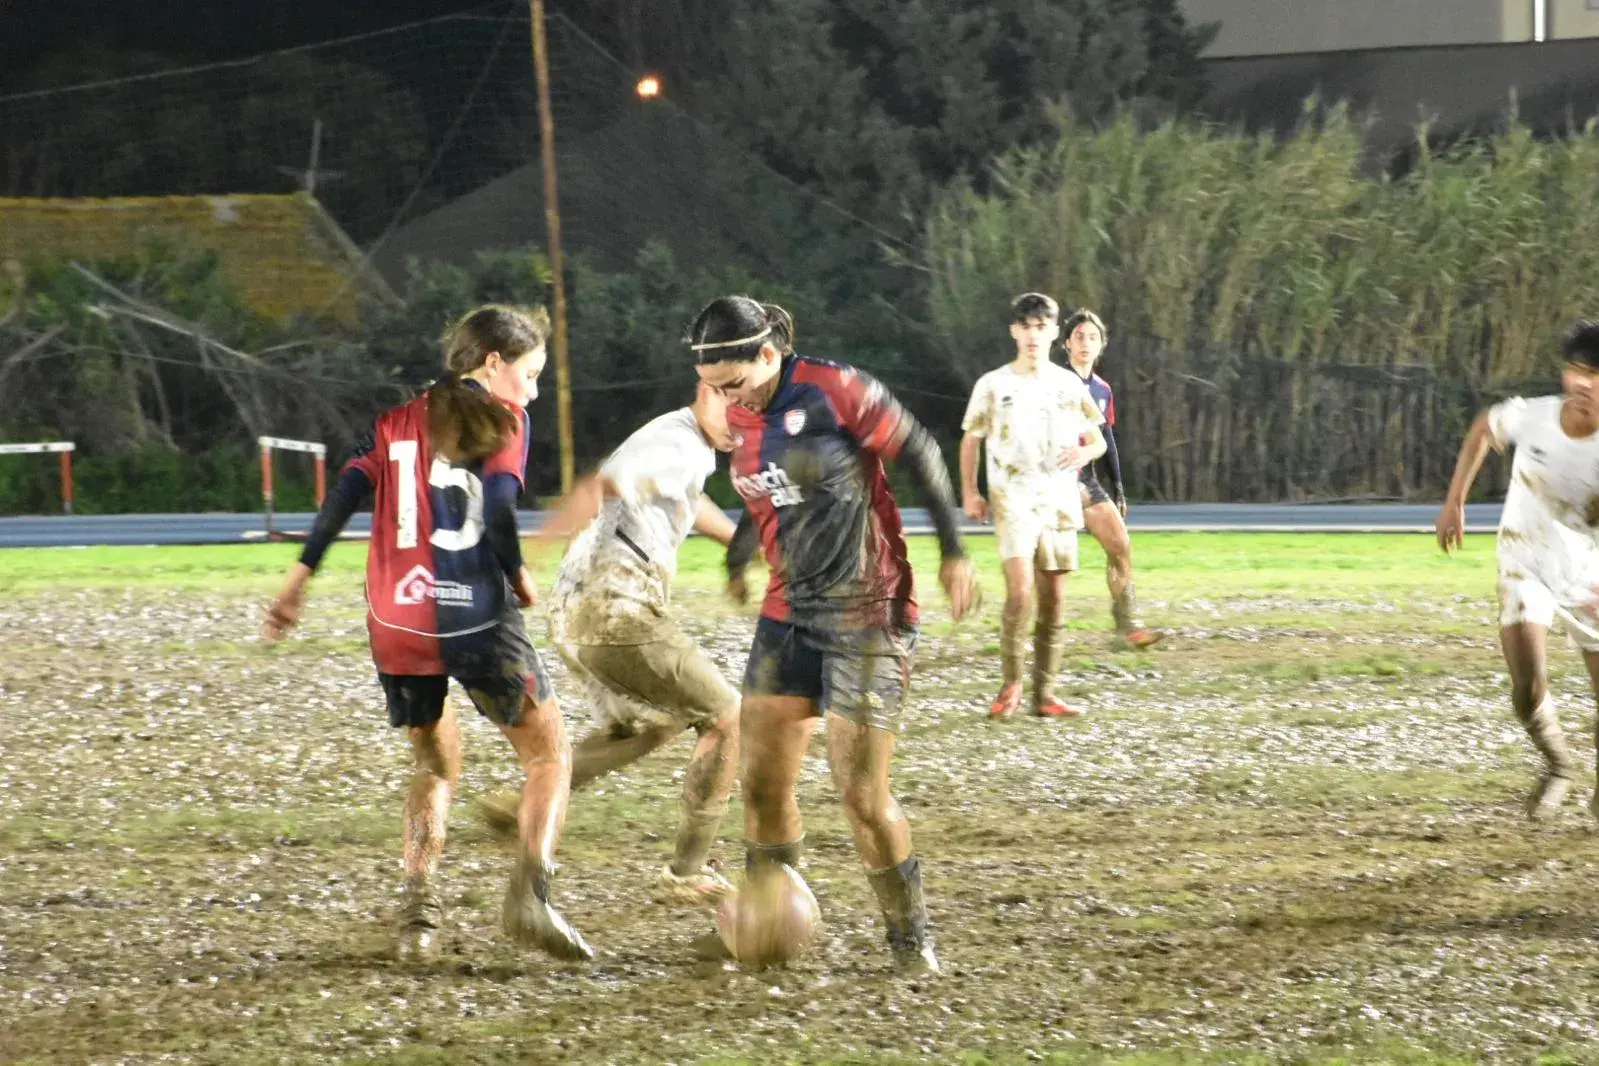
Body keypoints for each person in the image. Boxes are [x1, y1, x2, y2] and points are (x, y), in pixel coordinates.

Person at [260, 304, 592, 962]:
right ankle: (531, 897)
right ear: (492, 363)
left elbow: (341, 498)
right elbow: (498, 509)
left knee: (435, 763)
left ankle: (417, 915)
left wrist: (297, 581)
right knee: (549, 756)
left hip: (397, 623)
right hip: (473, 618)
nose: (532, 390)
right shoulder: (505, 418)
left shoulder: (392, 423)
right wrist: (518, 573)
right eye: (529, 374)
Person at [692, 294, 977, 974]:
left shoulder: (837, 390)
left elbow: (922, 451)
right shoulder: (742, 413)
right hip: (786, 618)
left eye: (731, 384)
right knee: (760, 783)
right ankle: (767, 924)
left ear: (768, 355)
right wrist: (737, 558)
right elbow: (760, 490)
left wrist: (954, 551)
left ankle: (911, 940)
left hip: (865, 614)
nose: (726, 401)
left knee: (860, 795)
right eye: (711, 389)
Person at [479, 382, 743, 905]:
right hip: (615, 611)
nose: (743, 419)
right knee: (729, 717)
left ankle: (521, 806)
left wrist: (742, 545)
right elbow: (602, 486)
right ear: (706, 388)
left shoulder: (687, 449)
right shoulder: (677, 442)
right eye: (733, 403)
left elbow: (687, 498)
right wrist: (522, 556)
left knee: (654, 722)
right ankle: (686, 872)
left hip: (577, 613)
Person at [1436, 320, 1599, 821]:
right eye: (1576, 370)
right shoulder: (1534, 417)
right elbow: (1485, 426)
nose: (1583, 384)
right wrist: (1455, 501)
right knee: (1527, 683)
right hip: (1524, 560)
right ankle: (1559, 767)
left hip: (1589, 575)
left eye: (1596, 375)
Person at [960, 293, 1107, 719]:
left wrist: (1085, 454)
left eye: (1041, 326)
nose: (1032, 334)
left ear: (1053, 332)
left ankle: (1045, 694)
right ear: (1013, 331)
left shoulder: (1068, 384)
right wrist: (970, 491)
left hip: (1058, 501)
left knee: (1055, 600)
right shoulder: (994, 384)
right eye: (1025, 326)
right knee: (1021, 592)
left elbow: (1095, 438)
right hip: (1012, 499)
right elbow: (971, 438)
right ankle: (1011, 684)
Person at [1061, 308, 1164, 650]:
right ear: (1066, 344)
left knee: (1120, 546)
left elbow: (1108, 440)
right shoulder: (1054, 382)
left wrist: (1118, 488)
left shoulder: (1102, 390)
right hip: (1052, 480)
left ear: (1102, 344)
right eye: (1079, 337)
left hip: (1086, 480)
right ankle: (1034, 630)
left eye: (1092, 337)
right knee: (1045, 560)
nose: (1085, 343)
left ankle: (1128, 627)